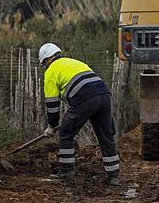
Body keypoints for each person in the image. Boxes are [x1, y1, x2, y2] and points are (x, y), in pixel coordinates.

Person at [39, 43, 121, 186]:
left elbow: (52, 104)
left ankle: (67, 171)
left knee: (65, 132)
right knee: (105, 136)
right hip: (104, 95)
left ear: (46, 60)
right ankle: (113, 176)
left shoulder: (51, 72)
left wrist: (51, 126)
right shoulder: (74, 62)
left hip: (85, 99)